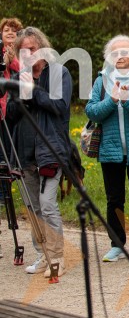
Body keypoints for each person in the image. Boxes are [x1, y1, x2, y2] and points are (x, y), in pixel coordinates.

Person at [6, 27, 72, 277]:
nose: (28, 54)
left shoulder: (58, 72)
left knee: (47, 205)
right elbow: (11, 116)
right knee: (33, 208)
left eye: (32, 49)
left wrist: (32, 91)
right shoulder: (20, 76)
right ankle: (42, 254)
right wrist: (20, 92)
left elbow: (60, 106)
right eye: (23, 51)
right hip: (24, 151)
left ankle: (57, 258)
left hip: (51, 150)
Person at [85, 35, 129, 262]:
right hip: (111, 150)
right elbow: (91, 111)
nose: (120, 57)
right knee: (114, 199)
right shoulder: (101, 81)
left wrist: (126, 101)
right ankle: (117, 245)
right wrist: (112, 100)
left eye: (124, 53)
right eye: (115, 53)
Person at [1, 18, 23, 120]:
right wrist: (4, 64)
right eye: (6, 30)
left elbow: (25, 71)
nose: (10, 33)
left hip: (18, 105)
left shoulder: (23, 51)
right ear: (1, 34)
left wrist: (13, 59)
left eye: (14, 31)